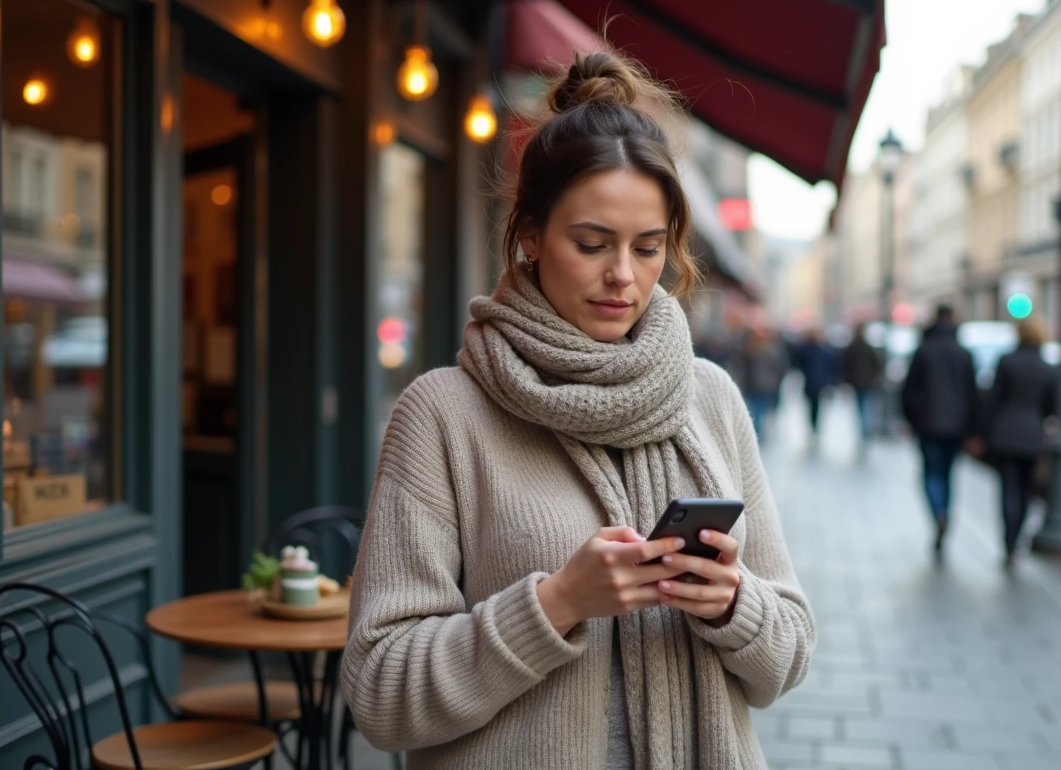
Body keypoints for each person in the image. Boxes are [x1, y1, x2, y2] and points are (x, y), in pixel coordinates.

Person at [341, 51, 815, 770]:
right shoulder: (442, 415)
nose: (623, 276)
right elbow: (380, 693)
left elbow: (788, 655)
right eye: (591, 244)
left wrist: (730, 602)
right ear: (529, 234)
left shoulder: (710, 396)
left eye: (649, 248)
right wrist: (557, 602)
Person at [978, 318, 1057, 567]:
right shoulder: (1047, 367)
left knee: (1008, 489)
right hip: (1032, 435)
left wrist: (983, 431)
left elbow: (993, 399)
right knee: (1024, 491)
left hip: (1005, 433)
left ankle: (1009, 541)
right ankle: (1017, 534)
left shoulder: (1007, 361)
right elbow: (1052, 407)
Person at [901, 304, 978, 557]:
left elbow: (910, 389)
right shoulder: (963, 353)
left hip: (928, 424)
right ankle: (945, 513)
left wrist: (911, 419)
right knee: (947, 474)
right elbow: (972, 393)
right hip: (956, 427)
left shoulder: (924, 350)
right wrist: (970, 428)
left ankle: (938, 514)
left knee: (931, 473)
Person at [739, 323, 789, 441]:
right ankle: (757, 430)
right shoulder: (749, 349)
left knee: (761, 409)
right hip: (753, 385)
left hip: (767, 385)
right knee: (755, 409)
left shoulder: (774, 349)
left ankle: (758, 430)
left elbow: (781, 366)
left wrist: (777, 380)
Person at [792, 327, 839, 448]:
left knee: (816, 406)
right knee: (812, 406)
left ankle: (815, 427)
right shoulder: (807, 349)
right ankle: (813, 427)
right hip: (811, 382)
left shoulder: (825, 349)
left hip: (819, 383)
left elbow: (832, 366)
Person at [841, 322, 882, 455]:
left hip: (857, 382)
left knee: (861, 406)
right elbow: (877, 364)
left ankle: (864, 430)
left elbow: (845, 366)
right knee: (867, 406)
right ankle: (866, 430)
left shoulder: (851, 347)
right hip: (867, 381)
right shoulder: (868, 347)